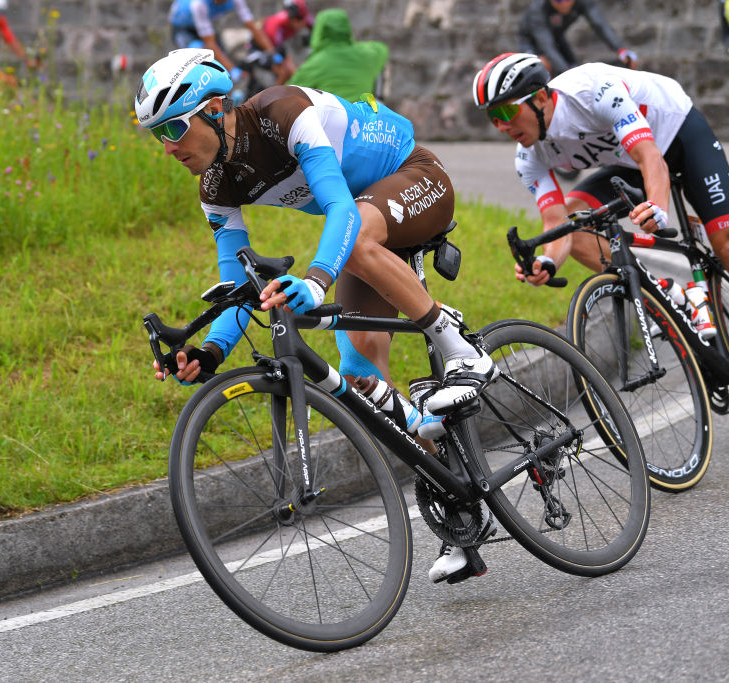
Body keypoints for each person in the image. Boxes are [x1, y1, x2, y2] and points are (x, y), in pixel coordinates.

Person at [137, 48, 500, 583]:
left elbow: (341, 210)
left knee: (353, 244)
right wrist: (208, 351)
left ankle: (459, 347)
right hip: (365, 223)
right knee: (361, 378)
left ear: (214, 108)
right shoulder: (215, 186)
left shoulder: (283, 112)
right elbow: (241, 286)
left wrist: (316, 279)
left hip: (415, 178)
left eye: (171, 128)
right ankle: (459, 506)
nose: (166, 147)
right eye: (155, 134)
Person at [472, 52, 729, 286]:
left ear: (540, 98)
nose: (501, 126)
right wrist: (547, 262)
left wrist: (657, 206)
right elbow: (554, 220)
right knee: (573, 223)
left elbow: (650, 157)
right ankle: (656, 296)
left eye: (506, 112)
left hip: (680, 136)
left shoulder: (594, 91)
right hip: (629, 163)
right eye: (492, 118)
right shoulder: (528, 158)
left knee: (724, 244)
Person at [286, 8, 389, 103]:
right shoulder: (369, 55)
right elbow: (382, 49)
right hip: (363, 119)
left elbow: (286, 94)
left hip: (332, 121)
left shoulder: (317, 62)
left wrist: (289, 71)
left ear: (319, 31)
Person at [517, 0, 638, 76]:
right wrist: (567, 72)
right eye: (558, 0)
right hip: (531, 42)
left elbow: (600, 25)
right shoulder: (538, 9)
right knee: (542, 66)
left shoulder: (582, 3)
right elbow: (547, 46)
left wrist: (621, 50)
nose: (564, 3)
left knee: (574, 68)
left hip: (557, 38)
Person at [167, 0, 276, 77]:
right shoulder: (199, 4)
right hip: (183, 29)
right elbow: (209, 43)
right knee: (201, 59)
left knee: (222, 65)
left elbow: (253, 27)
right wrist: (232, 70)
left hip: (205, 23)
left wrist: (273, 52)